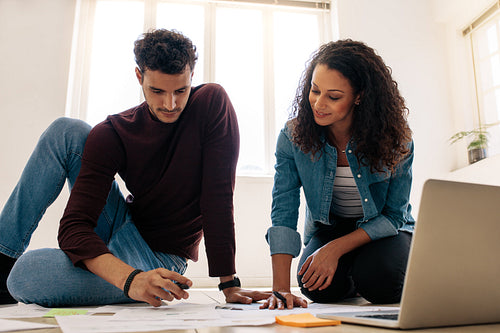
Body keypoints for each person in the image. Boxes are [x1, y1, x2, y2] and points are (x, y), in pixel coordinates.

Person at [0, 29, 270, 307]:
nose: (170, 104)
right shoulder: (114, 132)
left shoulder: (211, 104)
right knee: (68, 131)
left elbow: (218, 198)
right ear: (139, 77)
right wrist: (130, 280)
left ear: (192, 77)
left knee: (26, 274)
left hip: (158, 257)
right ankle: (0, 260)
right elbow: (74, 227)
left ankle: (119, 276)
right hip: (121, 224)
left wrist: (229, 284)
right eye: (157, 91)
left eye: (181, 90)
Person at [260, 39, 414, 310]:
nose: (318, 104)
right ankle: (355, 273)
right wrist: (281, 290)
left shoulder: (395, 140)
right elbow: (283, 210)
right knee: (314, 285)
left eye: (333, 97)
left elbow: (393, 215)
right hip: (330, 225)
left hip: (383, 227)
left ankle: (367, 267)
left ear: (359, 96)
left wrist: (334, 249)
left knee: (383, 282)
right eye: (314, 90)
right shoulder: (292, 136)